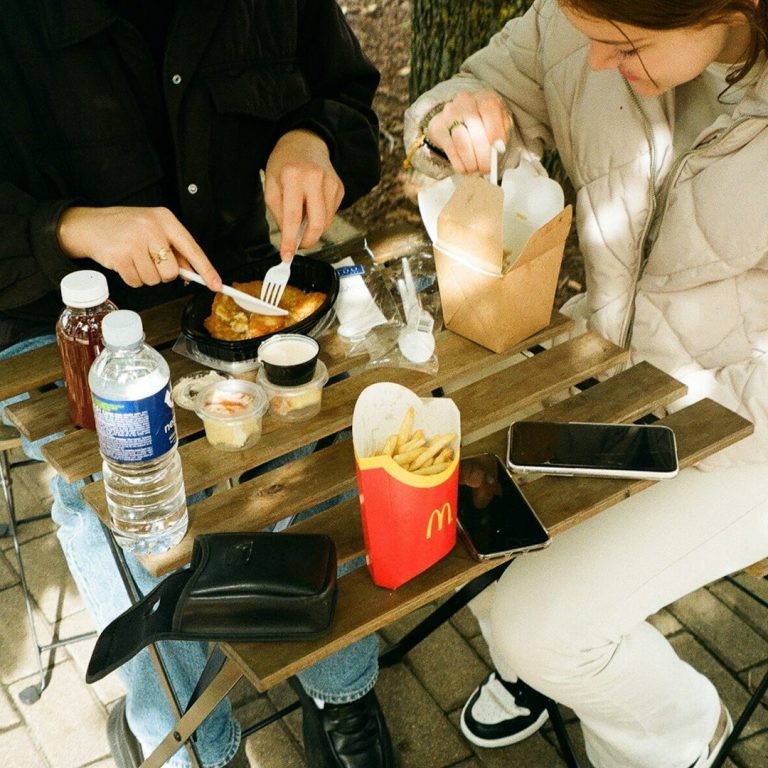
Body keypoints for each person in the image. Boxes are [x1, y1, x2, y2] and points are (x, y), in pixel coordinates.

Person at [0, 2, 393, 768]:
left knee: (305, 432)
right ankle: (190, 743)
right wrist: (70, 227)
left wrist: (312, 137)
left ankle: (341, 691)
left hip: (232, 281)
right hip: (60, 308)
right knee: (107, 499)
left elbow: (345, 92)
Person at [404, 1, 768, 766]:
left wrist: (663, 434)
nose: (597, 61)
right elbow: (472, 95)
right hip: (607, 368)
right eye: (588, 36)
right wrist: (451, 123)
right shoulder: (582, 19)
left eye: (625, 46)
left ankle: (678, 731)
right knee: (450, 499)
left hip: (744, 428)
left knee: (542, 629)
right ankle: (552, 673)